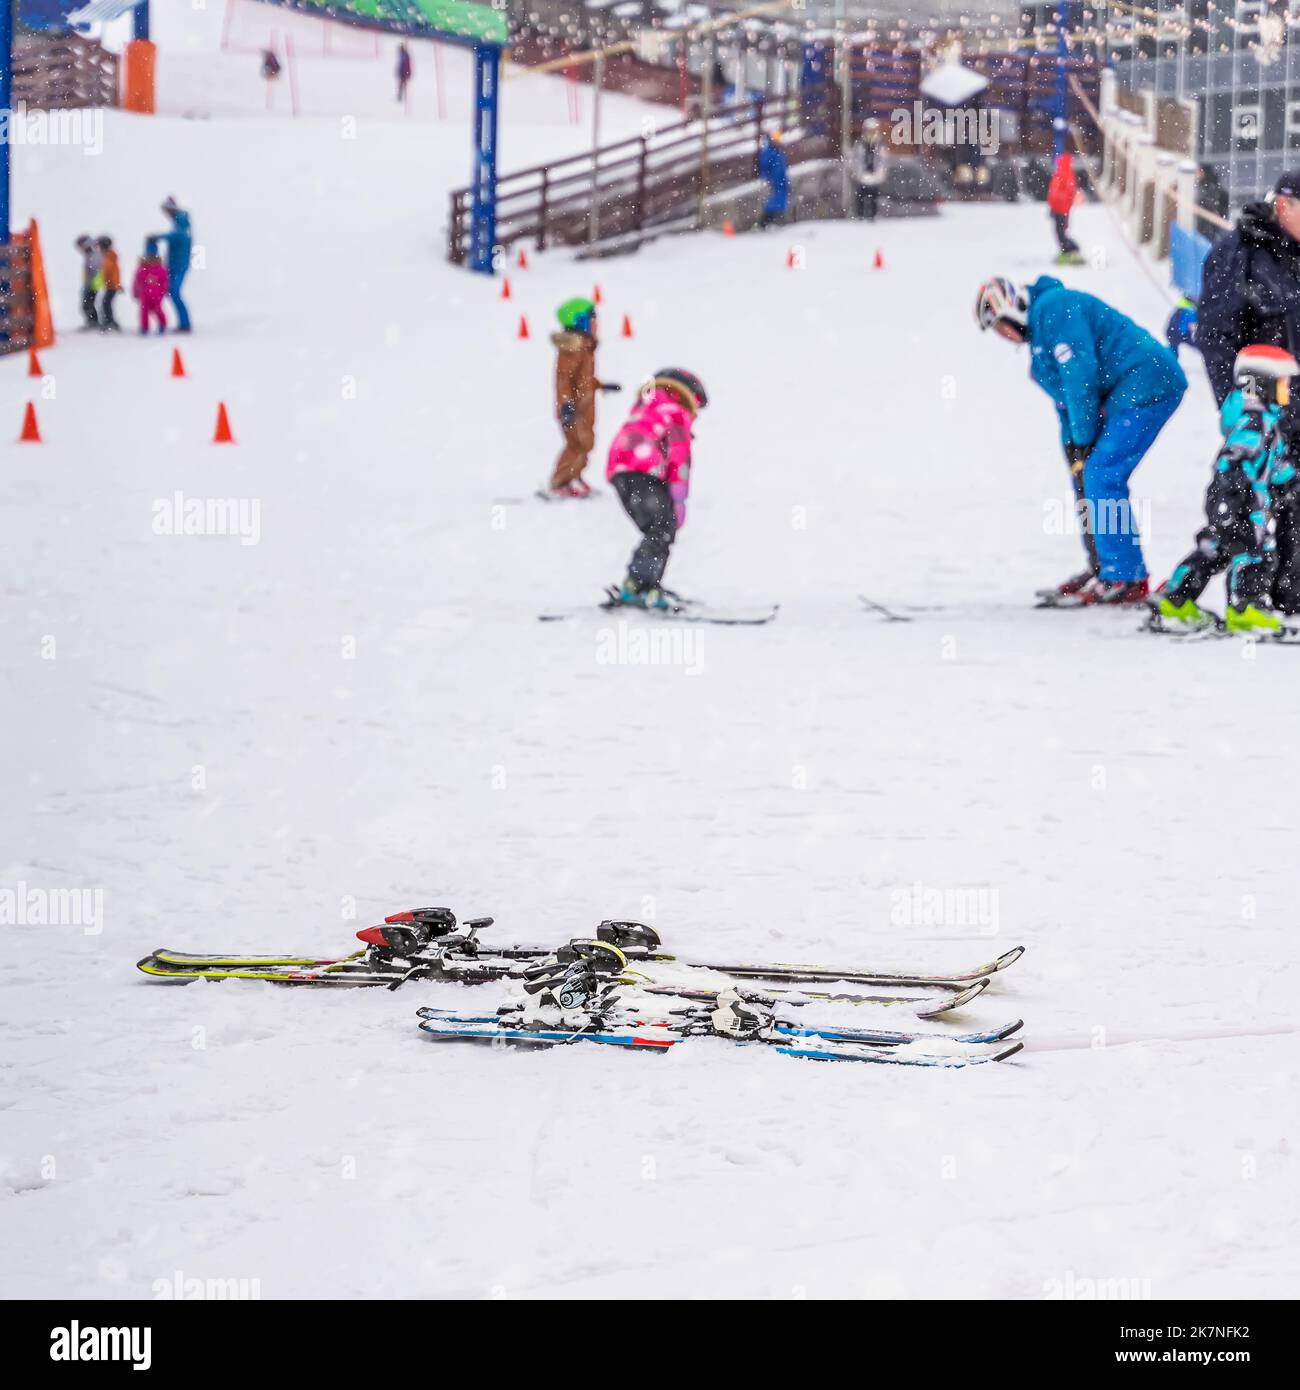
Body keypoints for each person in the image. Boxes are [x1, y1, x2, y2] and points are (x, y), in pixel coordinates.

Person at [975, 275, 1187, 605]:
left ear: (1014, 306)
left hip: (1149, 381)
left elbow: (1080, 378)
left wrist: (1085, 441)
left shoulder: (1055, 308)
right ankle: (1104, 566)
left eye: (1002, 325)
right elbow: (1066, 404)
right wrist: (1074, 450)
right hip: (1121, 395)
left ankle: (1125, 575)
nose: (1004, 336)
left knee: (1102, 473)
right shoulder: (1039, 354)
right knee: (1088, 475)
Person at [1197, 168, 1300, 613]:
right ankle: (1242, 596)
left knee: (1294, 495)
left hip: (1295, 392)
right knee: (1251, 496)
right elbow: (1216, 333)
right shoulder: (1239, 252)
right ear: (1284, 206)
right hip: (1259, 390)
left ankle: (1289, 596)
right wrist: (1237, 403)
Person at [1153, 345, 1299, 636]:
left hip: (1228, 497)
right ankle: (1247, 608)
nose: (1287, 390)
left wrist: (1290, 479)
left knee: (1216, 548)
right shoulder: (1257, 422)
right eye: (1282, 383)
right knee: (1257, 549)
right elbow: (1236, 458)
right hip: (1239, 497)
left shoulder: (1263, 420)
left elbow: (1272, 462)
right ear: (1262, 383)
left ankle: (1176, 600)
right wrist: (1240, 492)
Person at [606, 368, 707, 609]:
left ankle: (644, 583)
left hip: (622, 473)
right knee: (662, 529)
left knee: (657, 530)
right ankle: (639, 586)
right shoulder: (676, 412)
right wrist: (679, 502)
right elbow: (679, 460)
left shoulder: (645, 409)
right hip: (645, 472)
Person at [548, 297, 620, 498]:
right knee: (576, 445)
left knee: (586, 444)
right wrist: (565, 405)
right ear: (581, 322)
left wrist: (602, 385)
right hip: (572, 409)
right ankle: (559, 482)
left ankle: (575, 477)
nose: (597, 323)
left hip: (585, 406)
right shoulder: (571, 350)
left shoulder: (585, 348)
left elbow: (584, 379)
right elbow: (563, 382)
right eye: (593, 319)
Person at [151, 196, 193, 333]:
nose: (165, 213)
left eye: (166, 210)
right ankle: (182, 323)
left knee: (174, 291)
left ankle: (185, 324)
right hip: (173, 264)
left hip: (180, 264)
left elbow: (178, 236)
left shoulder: (182, 220)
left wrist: (160, 236)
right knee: (170, 291)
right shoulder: (177, 222)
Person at [1046, 152, 1084, 266]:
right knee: (1059, 232)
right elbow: (1054, 192)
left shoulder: (1065, 175)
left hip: (1061, 209)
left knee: (1060, 232)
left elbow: (1063, 194)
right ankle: (1067, 250)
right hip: (1059, 209)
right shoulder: (1061, 175)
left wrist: (1057, 205)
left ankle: (1072, 249)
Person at [849, 123, 887, 221]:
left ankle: (872, 216)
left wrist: (880, 173)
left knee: (874, 196)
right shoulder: (860, 144)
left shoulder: (879, 144)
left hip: (875, 175)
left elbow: (883, 160)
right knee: (861, 196)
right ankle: (860, 215)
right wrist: (856, 172)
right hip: (862, 175)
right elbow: (855, 159)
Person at [133, 239, 170, 336]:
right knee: (144, 311)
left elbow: (164, 282)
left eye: (153, 257)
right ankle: (144, 327)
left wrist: (163, 292)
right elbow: (137, 280)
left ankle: (162, 325)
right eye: (149, 257)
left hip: (156, 295)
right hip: (144, 294)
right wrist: (136, 291)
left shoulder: (160, 269)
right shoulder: (142, 267)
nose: (151, 260)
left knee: (157, 310)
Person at [757, 131, 789, 230]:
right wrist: (767, 180)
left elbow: (782, 169)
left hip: (780, 183)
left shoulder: (778, 153)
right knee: (771, 204)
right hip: (774, 183)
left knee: (777, 204)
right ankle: (764, 224)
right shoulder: (770, 153)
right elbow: (764, 168)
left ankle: (771, 223)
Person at [75, 235, 102, 330]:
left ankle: (93, 322)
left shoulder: (94, 254)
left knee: (87, 304)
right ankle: (92, 321)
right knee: (87, 303)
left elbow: (95, 269)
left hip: (93, 284)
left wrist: (90, 281)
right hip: (90, 284)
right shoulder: (90, 254)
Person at [97, 235, 121, 332]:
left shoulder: (110, 256)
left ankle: (109, 322)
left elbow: (112, 271)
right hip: (110, 285)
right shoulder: (108, 255)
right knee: (106, 303)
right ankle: (110, 321)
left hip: (112, 286)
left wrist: (115, 284)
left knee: (105, 303)